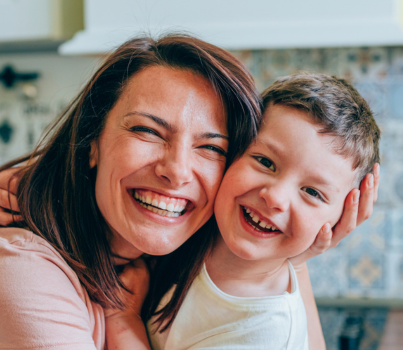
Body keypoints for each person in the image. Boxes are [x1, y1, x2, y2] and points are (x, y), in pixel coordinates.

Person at [0, 35, 379, 350]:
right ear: (91, 141)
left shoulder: (179, 248)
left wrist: (289, 258)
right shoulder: (21, 270)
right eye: (146, 130)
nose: (177, 170)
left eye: (210, 148)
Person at [138, 73, 380, 349]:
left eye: (312, 192)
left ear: (340, 221)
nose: (275, 197)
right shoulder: (193, 225)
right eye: (265, 161)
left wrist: (121, 318)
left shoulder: (266, 334)